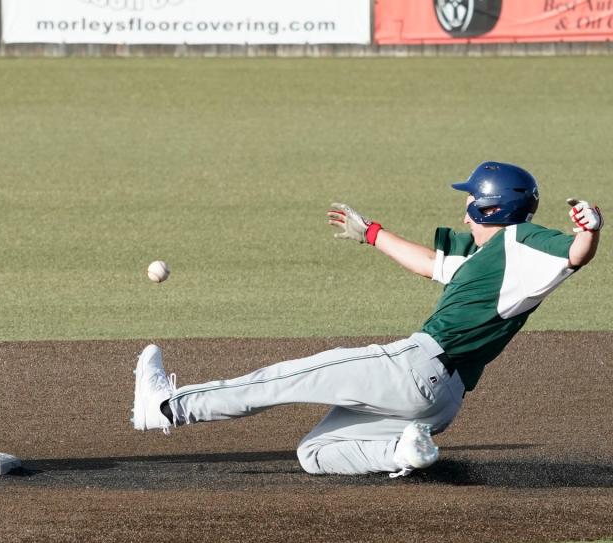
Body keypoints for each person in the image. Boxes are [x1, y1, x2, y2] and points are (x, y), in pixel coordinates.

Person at [132, 161, 603, 477]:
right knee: (313, 453)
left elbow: (574, 255)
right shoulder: (494, 260)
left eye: (470, 201)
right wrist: (373, 234)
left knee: (280, 380)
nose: (463, 212)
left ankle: (166, 408)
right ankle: (401, 452)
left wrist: (588, 229)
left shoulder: (520, 241)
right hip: (440, 404)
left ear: (489, 205)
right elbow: (429, 264)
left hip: (415, 367)